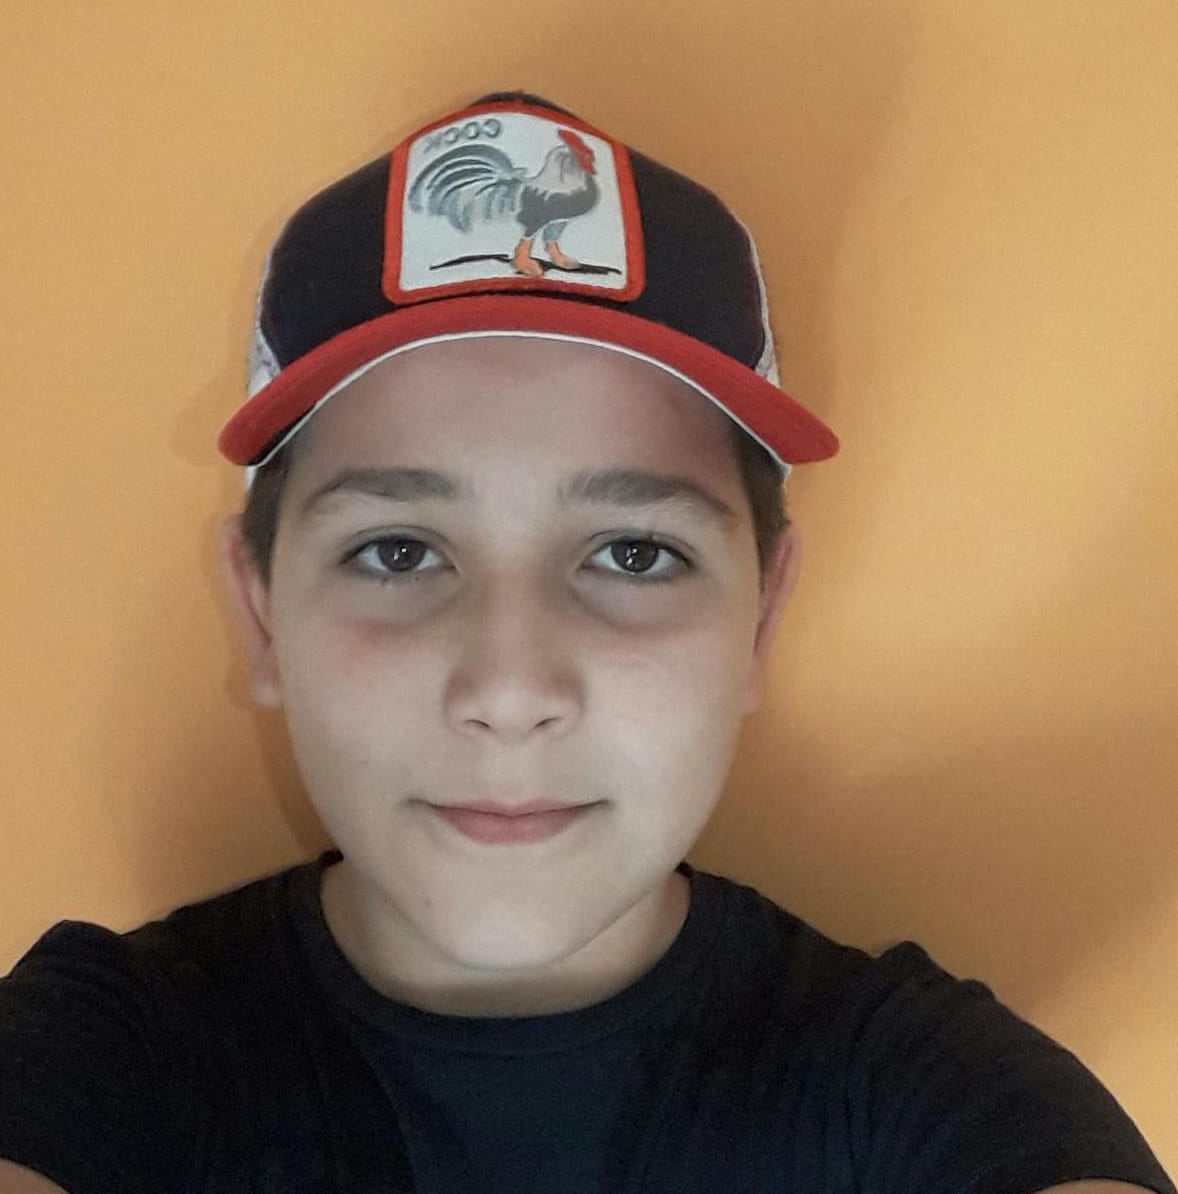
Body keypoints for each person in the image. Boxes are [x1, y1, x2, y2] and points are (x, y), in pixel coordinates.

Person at [0, 91, 1172, 1194]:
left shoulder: (921, 1087)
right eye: (397, 552)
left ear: (760, 619)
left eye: (633, 553)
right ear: (262, 615)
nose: (510, 689)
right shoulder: (103, 1051)